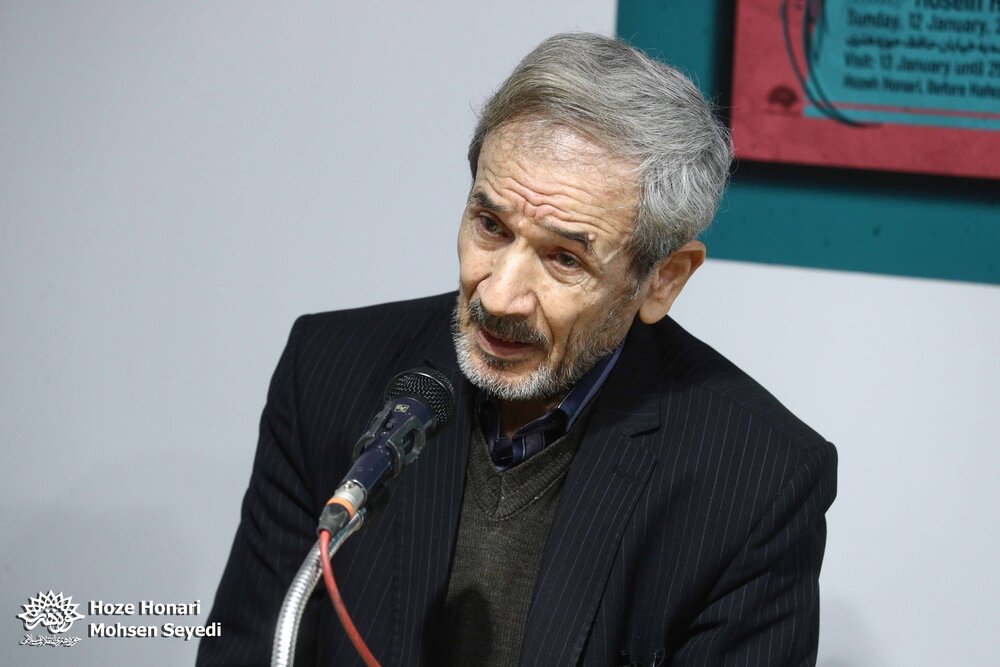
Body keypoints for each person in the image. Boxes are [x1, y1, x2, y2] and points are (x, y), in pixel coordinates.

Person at [197, 33, 837, 666]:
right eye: (491, 226)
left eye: (564, 259)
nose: (499, 296)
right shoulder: (328, 371)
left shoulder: (757, 479)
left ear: (662, 280)